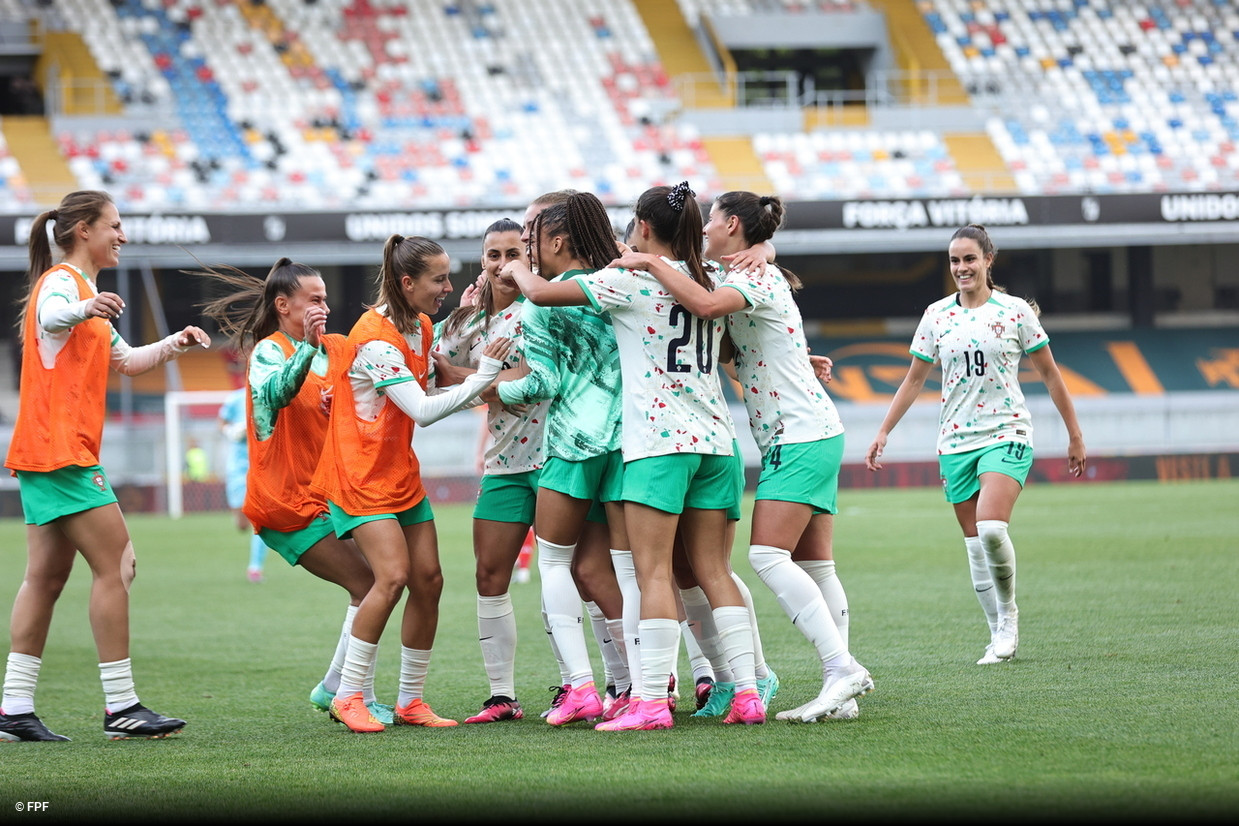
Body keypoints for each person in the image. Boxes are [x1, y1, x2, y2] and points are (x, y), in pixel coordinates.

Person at [507, 184, 762, 731]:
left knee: (650, 574)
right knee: (714, 571)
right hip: (718, 440)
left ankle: (648, 702)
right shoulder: (711, 278)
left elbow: (546, 295)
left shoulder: (627, 280)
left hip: (658, 444)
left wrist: (517, 271)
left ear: (643, 228)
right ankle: (747, 693)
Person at [613, 190, 874, 723]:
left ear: (732, 224)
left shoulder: (750, 277)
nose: (705, 228)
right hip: (809, 429)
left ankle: (840, 668)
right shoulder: (736, 269)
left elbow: (706, 305)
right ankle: (839, 680)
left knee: (766, 557)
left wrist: (647, 261)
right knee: (815, 564)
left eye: (712, 221)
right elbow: (720, 332)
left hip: (799, 433)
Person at [0, 190, 209, 742]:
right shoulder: (63, 284)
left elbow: (126, 361)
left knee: (44, 578)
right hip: (61, 452)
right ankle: (121, 705)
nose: (122, 234)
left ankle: (13, 709)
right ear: (83, 231)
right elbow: (52, 315)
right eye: (114, 225)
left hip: (45, 452)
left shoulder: (85, 292)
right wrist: (84, 308)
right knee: (119, 565)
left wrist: (175, 343)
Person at [311, 234, 511, 733]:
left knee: (429, 580)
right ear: (407, 283)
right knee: (392, 577)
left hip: (398, 473)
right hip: (360, 478)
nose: (448, 285)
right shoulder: (374, 338)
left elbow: (422, 384)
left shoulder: (420, 326)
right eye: (439, 278)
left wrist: (456, 355)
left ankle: (410, 701)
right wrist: (484, 374)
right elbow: (421, 411)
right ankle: (348, 694)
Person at [865, 223, 1087, 664]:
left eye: (969, 259)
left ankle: (1009, 620)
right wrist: (883, 429)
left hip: (1006, 432)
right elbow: (913, 379)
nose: (961, 267)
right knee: (974, 545)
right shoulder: (936, 316)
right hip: (954, 440)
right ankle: (995, 633)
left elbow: (1050, 374)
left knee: (990, 528)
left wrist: (1074, 433)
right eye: (954, 260)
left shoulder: (1015, 311)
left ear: (988, 261)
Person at [196, 258, 392, 724]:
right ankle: (347, 693)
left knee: (377, 581)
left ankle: (335, 689)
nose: (325, 306)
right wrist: (305, 351)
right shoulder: (270, 350)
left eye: (326, 297)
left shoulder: (330, 350)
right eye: (315, 299)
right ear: (284, 306)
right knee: (372, 583)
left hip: (326, 498)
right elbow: (277, 394)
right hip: (284, 503)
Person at [493, 191, 632, 727]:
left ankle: (581, 688)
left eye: (529, 241)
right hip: (625, 443)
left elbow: (544, 381)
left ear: (556, 242)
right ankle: (644, 685)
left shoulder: (540, 302)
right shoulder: (619, 281)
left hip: (574, 444)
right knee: (614, 568)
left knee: (555, 562)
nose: (524, 251)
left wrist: (491, 390)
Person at [431, 218, 549, 724]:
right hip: (504, 464)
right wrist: (474, 379)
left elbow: (530, 381)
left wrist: (467, 380)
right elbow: (426, 371)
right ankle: (502, 696)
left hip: (557, 456)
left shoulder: (544, 309)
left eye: (514, 253)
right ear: (481, 261)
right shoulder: (466, 324)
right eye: (494, 255)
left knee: (584, 575)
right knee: (489, 575)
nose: (504, 265)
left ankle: (605, 684)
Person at [218, 385, 270, 583]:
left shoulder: (268, 394)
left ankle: (255, 567)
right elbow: (221, 422)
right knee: (242, 524)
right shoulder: (235, 399)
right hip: (237, 468)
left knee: (259, 519)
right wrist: (230, 431)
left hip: (261, 466)